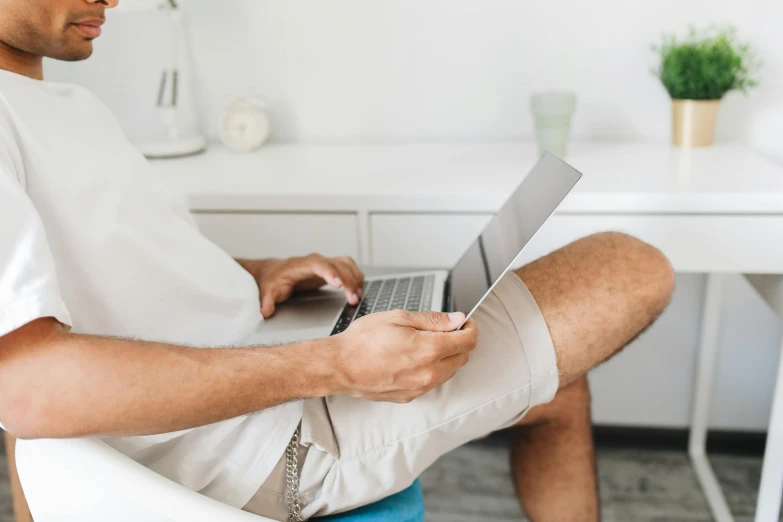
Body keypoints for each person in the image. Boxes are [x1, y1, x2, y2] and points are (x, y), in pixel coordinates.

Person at [0, 1, 675, 520]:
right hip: (261, 445)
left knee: (558, 385)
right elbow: (25, 387)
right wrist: (333, 364)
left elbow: (102, 268)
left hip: (265, 371)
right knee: (627, 267)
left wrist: (253, 272)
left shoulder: (65, 104)